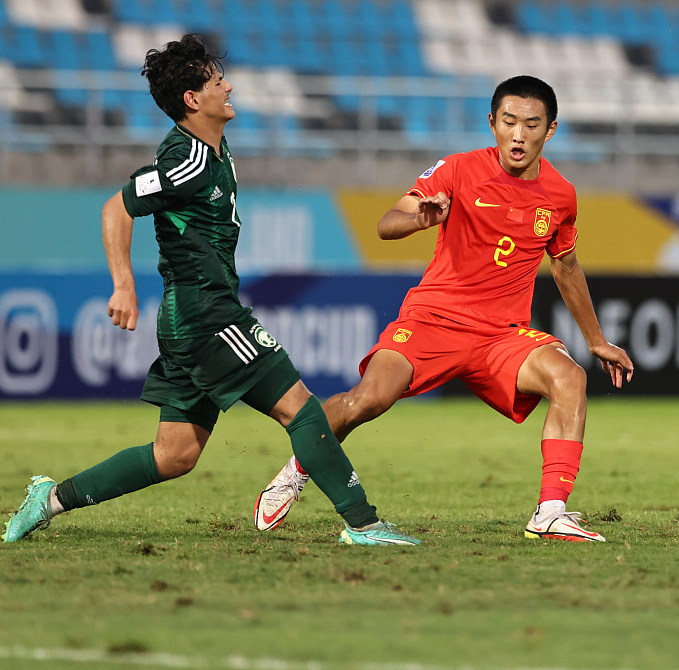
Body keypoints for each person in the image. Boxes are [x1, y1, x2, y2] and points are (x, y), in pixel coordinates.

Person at [2, 34, 419, 547]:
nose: (229, 86)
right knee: (302, 409)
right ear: (193, 100)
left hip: (193, 315)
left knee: (173, 455)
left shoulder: (214, 152)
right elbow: (116, 208)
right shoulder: (188, 162)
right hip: (205, 314)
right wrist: (123, 284)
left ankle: (49, 500)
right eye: (217, 80)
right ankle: (364, 523)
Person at [254, 75, 634, 542]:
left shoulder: (560, 195)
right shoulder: (457, 170)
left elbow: (568, 267)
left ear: (550, 130)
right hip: (433, 320)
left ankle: (551, 512)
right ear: (492, 123)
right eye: (509, 122)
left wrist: (596, 340)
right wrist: (418, 218)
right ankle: (297, 468)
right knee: (366, 400)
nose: (519, 135)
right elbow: (385, 224)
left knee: (570, 377)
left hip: (501, 336)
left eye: (531, 125)